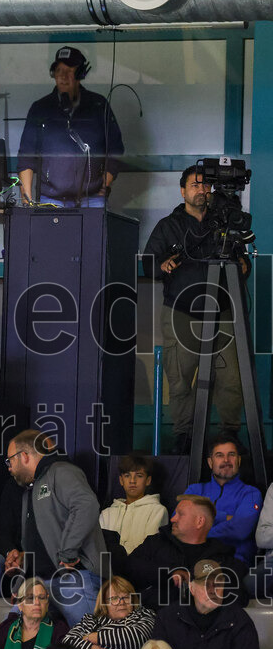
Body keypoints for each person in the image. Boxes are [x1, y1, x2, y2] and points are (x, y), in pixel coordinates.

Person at [142, 164, 249, 453]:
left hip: (223, 311)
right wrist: (162, 265)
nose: (202, 190)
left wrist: (244, 266)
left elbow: (243, 262)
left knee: (231, 379)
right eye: (195, 185)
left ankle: (229, 436)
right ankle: (184, 437)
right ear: (182, 191)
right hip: (181, 312)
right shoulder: (168, 226)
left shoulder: (225, 223)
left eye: (205, 185)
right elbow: (148, 264)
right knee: (180, 381)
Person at [3, 429, 106, 626]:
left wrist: (68, 552)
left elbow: (87, 505)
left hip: (74, 580)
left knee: (86, 638)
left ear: (24, 456)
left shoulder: (62, 471)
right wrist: (20, 582)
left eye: (10, 461)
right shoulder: (31, 488)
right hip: (41, 584)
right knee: (11, 630)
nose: (9, 468)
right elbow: (41, 540)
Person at [16, 45, 123, 207]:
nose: (63, 76)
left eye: (69, 70)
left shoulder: (98, 105)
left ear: (80, 74)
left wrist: (105, 183)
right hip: (50, 199)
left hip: (92, 199)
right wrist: (27, 201)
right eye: (59, 70)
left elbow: (115, 149)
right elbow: (26, 156)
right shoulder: (40, 108)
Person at [152, 559, 258, 649]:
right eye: (205, 584)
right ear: (191, 588)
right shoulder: (167, 618)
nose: (212, 590)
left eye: (218, 584)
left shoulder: (239, 620)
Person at [123, 494, 245, 611]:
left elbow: (239, 598)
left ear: (199, 522)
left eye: (180, 514)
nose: (173, 519)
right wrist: (169, 574)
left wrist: (194, 579)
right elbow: (128, 568)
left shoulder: (221, 558)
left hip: (200, 622)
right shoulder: (155, 543)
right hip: (150, 616)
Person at [62, 576, 156, 649]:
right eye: (115, 598)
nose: (121, 602)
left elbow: (136, 638)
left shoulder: (144, 615)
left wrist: (92, 638)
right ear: (104, 603)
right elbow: (66, 646)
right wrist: (104, 647)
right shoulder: (91, 621)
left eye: (126, 597)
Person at [184, 434, 262, 563]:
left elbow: (240, 529)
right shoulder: (194, 491)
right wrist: (225, 517)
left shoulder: (251, 493)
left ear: (239, 460)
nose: (226, 460)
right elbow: (180, 524)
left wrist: (198, 529)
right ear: (210, 462)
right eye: (219, 455)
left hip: (232, 561)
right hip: (191, 559)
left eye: (231, 455)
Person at [99, 455, 168, 555]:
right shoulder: (107, 513)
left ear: (148, 480)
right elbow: (100, 548)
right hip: (109, 563)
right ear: (121, 480)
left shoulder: (157, 511)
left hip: (142, 564)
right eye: (127, 476)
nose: (132, 481)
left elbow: (150, 550)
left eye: (139, 476)